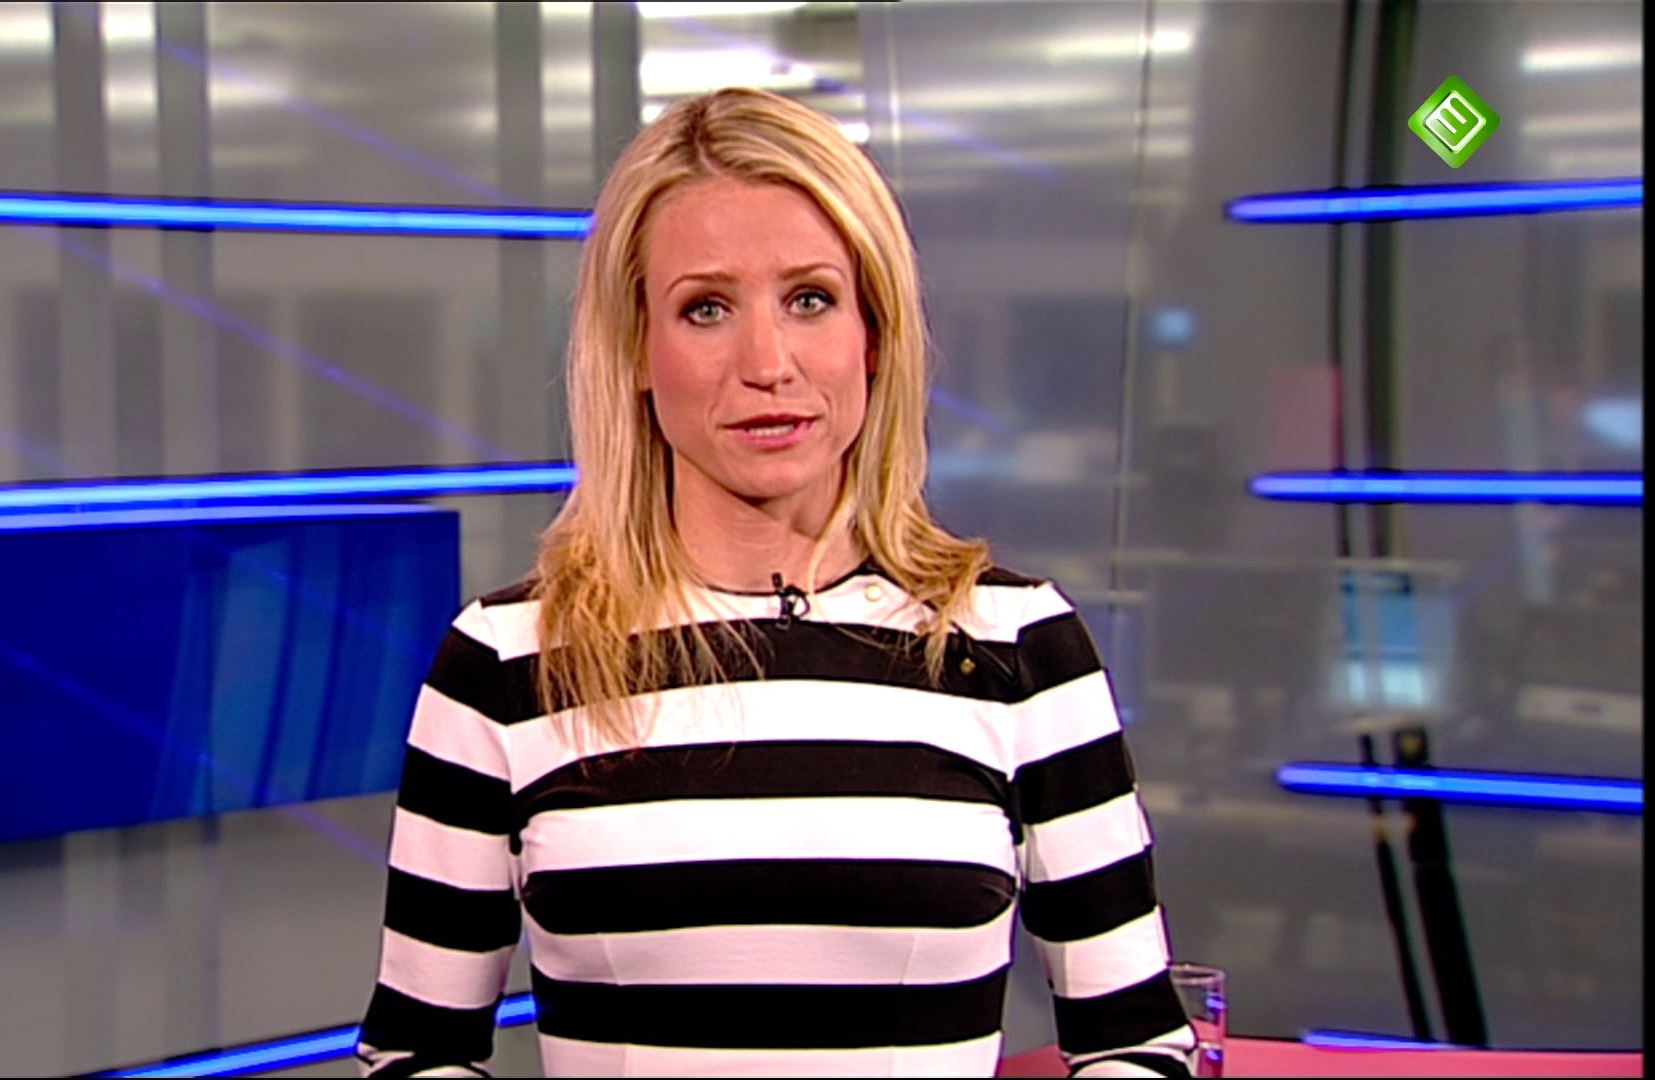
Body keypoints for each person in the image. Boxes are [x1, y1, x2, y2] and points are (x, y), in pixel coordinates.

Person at [354, 87, 1197, 1079]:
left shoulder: (1017, 648)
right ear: (635, 349)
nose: (768, 363)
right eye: (706, 309)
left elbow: (1137, 1040)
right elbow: (415, 1052)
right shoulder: (505, 664)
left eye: (810, 300)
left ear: (873, 334)